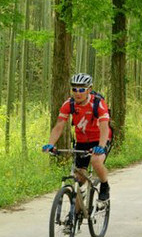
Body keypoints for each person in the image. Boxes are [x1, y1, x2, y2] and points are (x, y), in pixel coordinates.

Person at [42, 73, 111, 201]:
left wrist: (101, 147)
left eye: (81, 90)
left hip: (101, 138)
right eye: (74, 89)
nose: (77, 93)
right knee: (79, 179)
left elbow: (104, 126)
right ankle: (76, 214)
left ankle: (105, 185)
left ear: (89, 89)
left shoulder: (98, 103)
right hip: (82, 141)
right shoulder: (69, 104)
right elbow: (59, 126)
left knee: (96, 161)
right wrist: (50, 144)